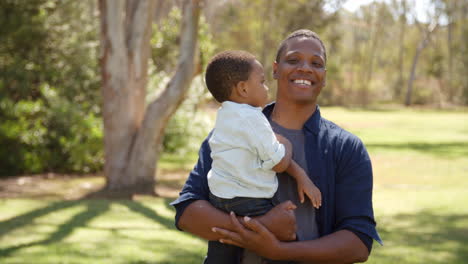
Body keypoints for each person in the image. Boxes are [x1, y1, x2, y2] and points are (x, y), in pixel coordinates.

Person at [171, 29, 382, 263]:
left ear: (324, 75)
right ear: (274, 69)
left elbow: (359, 243)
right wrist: (262, 227)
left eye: (316, 63)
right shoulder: (229, 135)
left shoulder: (346, 148)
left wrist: (278, 251)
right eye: (293, 60)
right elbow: (188, 212)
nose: (305, 68)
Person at [203, 50, 322, 264]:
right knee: (283, 233)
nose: (267, 88)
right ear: (243, 88)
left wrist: (300, 175)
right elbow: (278, 162)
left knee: (222, 249)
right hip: (248, 199)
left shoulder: (225, 115)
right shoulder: (252, 118)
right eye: (262, 82)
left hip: (219, 198)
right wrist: (286, 144)